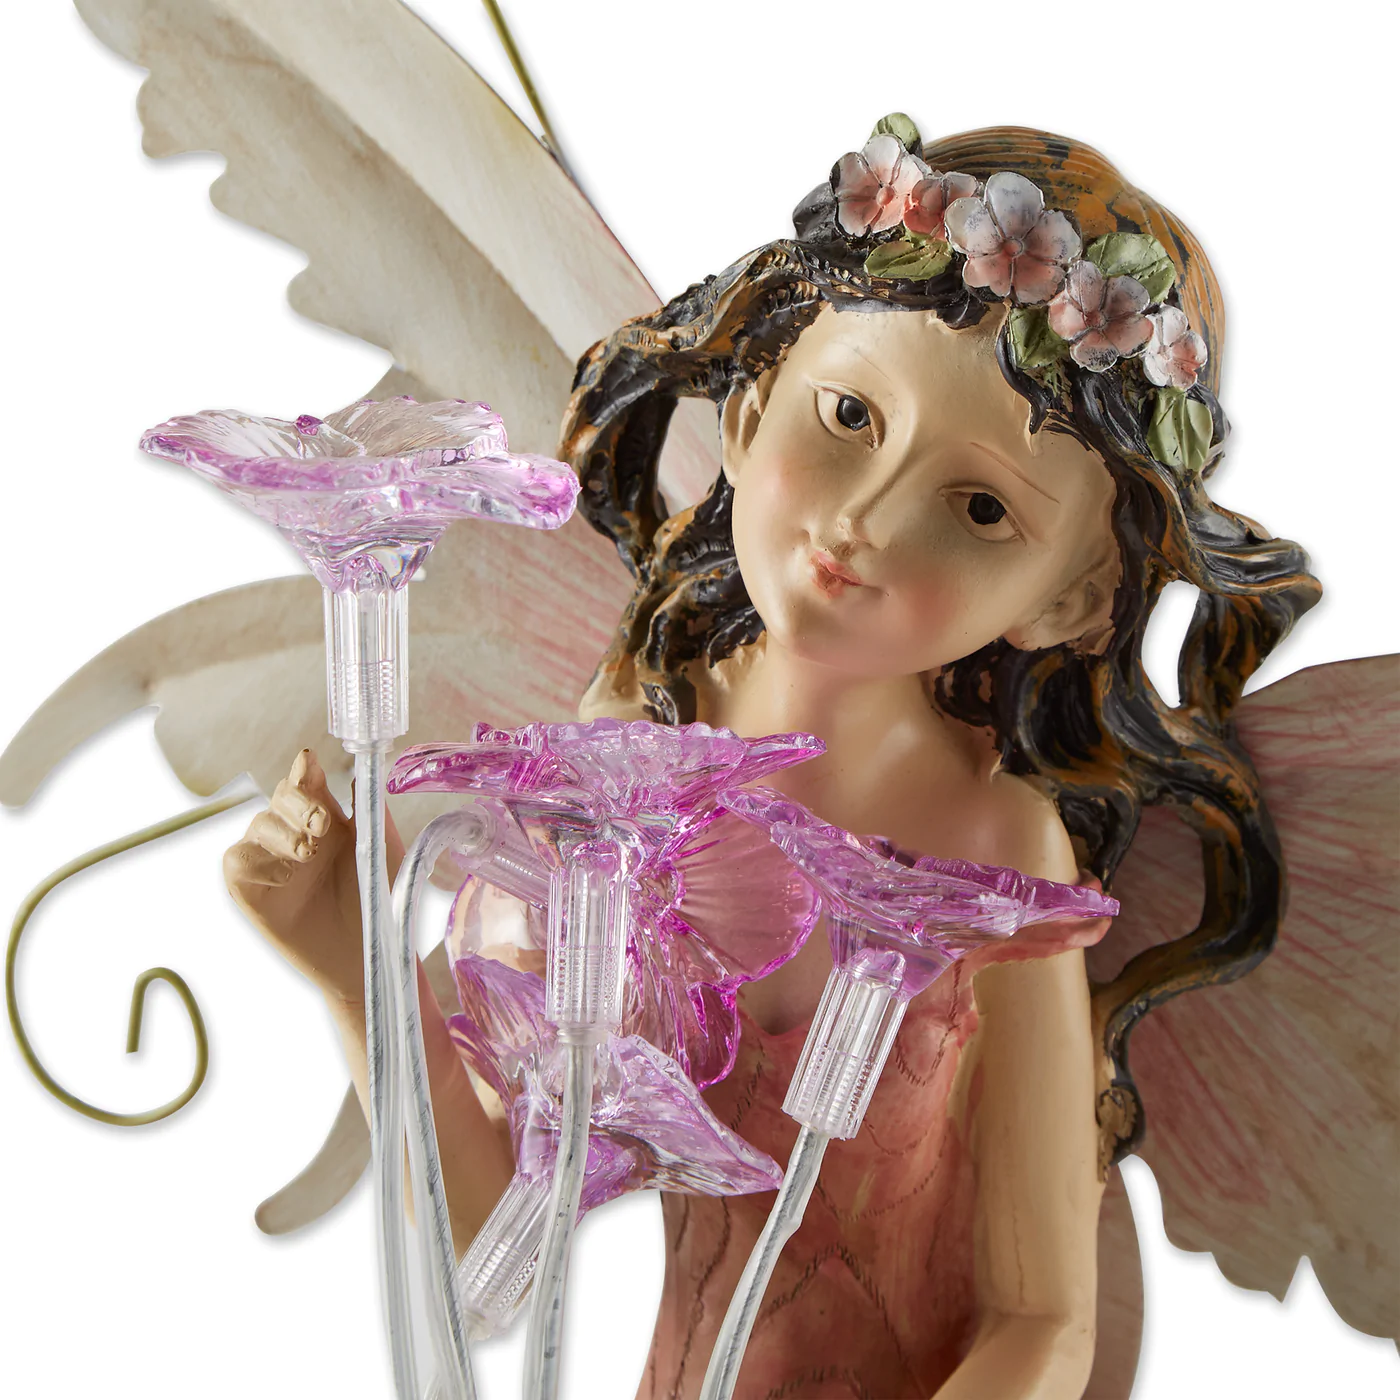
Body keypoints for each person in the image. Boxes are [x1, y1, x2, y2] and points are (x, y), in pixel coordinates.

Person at [225, 123, 1319, 1398]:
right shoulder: (625, 773)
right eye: (848, 414)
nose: (862, 518)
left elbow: (1039, 1320)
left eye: (978, 508)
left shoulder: (996, 850)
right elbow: (493, 1232)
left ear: (1069, 596)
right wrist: (351, 963)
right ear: (747, 407)